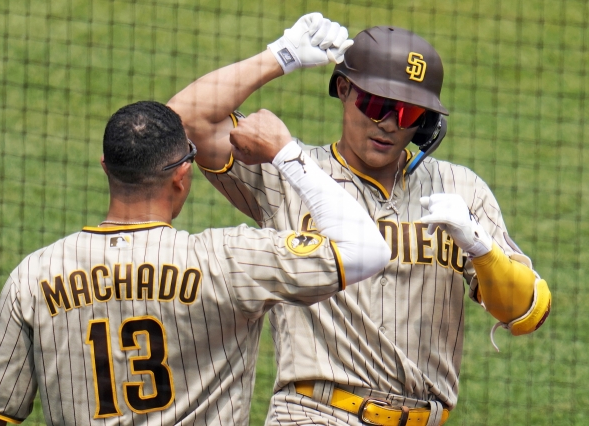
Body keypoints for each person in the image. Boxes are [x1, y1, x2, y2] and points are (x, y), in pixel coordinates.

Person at [167, 13, 552, 426]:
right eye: (376, 104)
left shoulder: (460, 189)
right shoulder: (286, 173)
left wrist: (480, 248)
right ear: (345, 90)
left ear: (426, 123)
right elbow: (181, 122)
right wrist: (281, 56)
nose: (388, 123)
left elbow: (527, 313)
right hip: (313, 413)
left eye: (407, 113)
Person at [0, 101, 392, 426]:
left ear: (106, 167)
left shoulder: (33, 277)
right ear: (182, 177)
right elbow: (364, 249)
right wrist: (287, 154)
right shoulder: (230, 261)